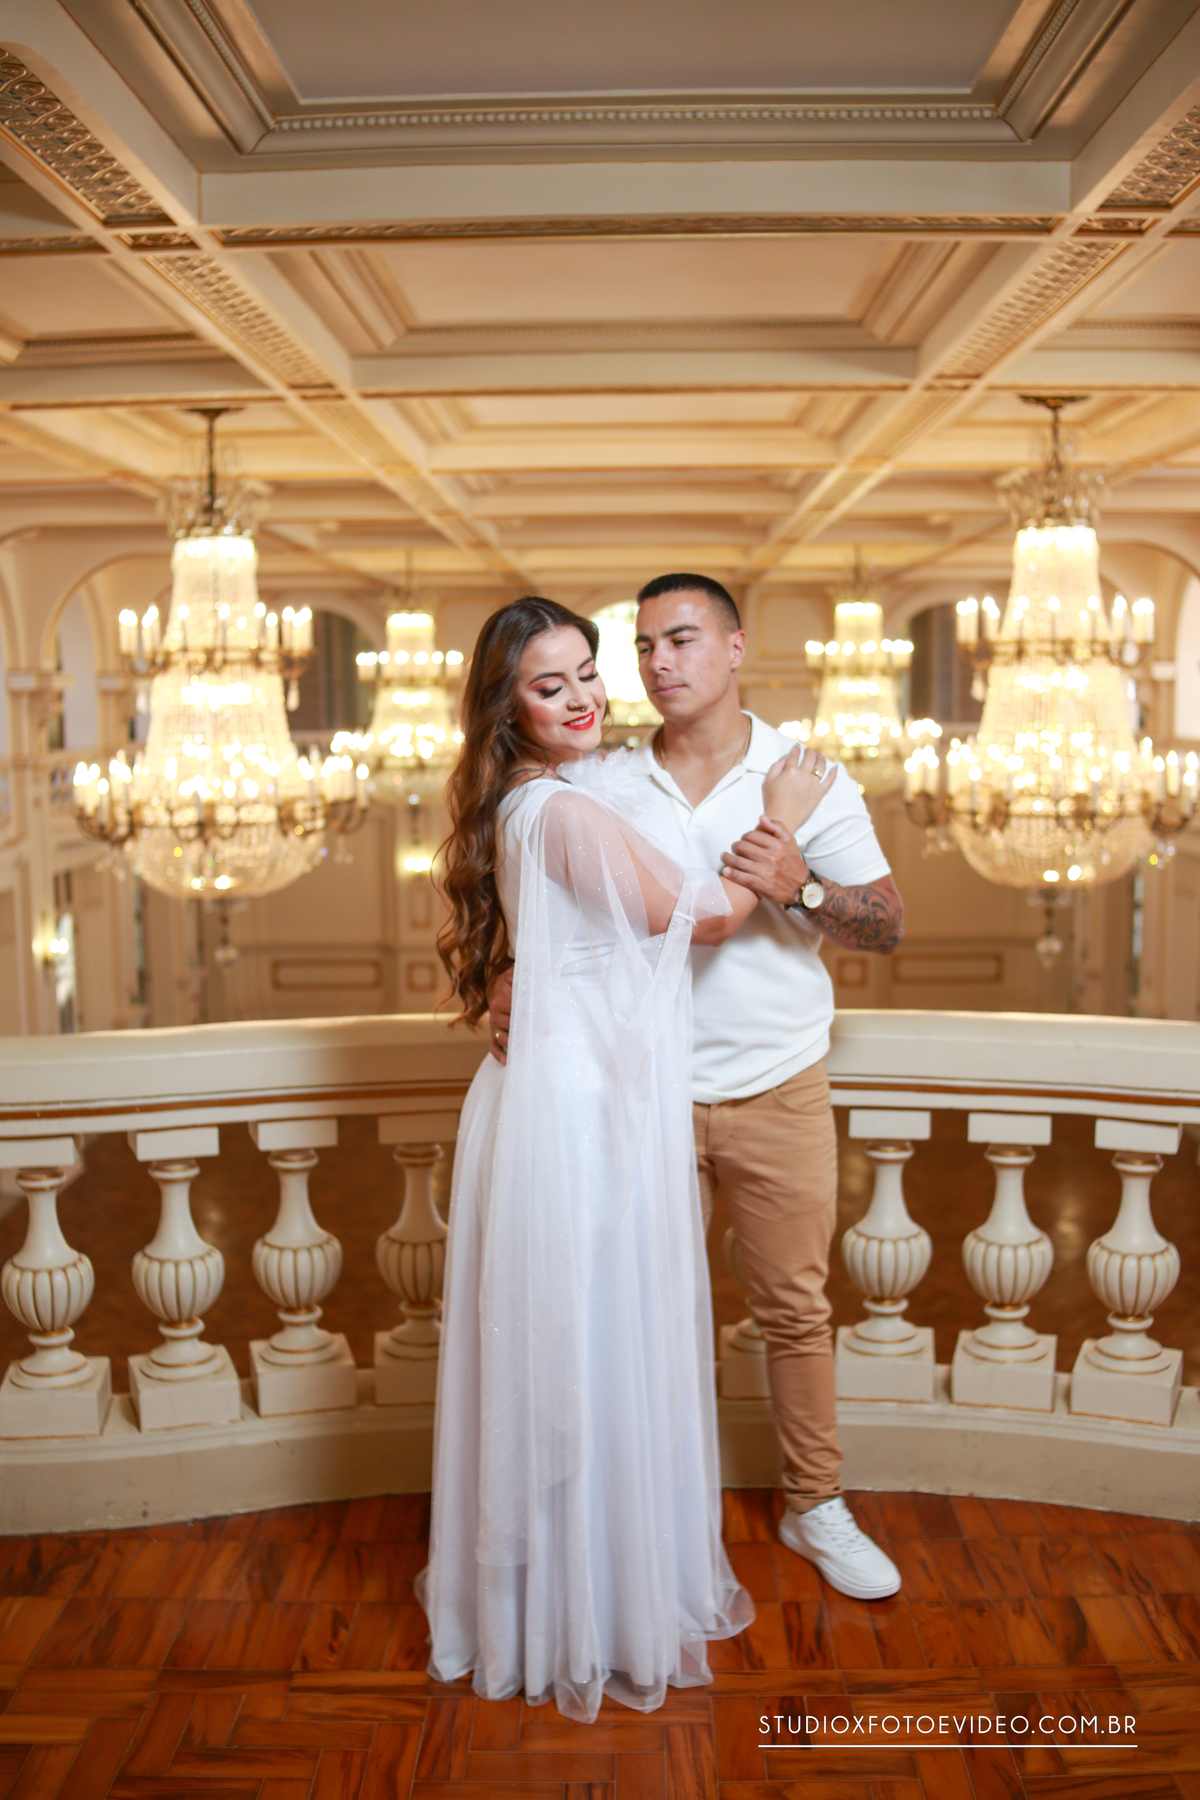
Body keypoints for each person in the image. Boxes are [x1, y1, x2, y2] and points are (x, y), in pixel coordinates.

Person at [422, 595, 833, 1723]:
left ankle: (578, 1592)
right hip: (574, 1106)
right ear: (507, 707)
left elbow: (564, 929)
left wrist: (515, 978)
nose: (584, 698)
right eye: (548, 686)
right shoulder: (559, 805)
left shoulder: (560, 792)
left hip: (564, 1087)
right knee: (589, 1339)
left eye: (588, 673)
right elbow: (702, 917)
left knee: (582, 1338)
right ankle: (587, 1609)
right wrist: (780, 817)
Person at [489, 574, 904, 1602]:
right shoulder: (604, 772)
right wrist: (505, 976)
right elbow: (557, 900)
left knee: (795, 1309)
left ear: (735, 647)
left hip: (775, 1083)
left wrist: (800, 881)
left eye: (680, 639)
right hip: (638, 1095)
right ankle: (639, 1520)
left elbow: (887, 924)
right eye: (642, 646)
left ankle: (816, 1505)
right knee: (633, 1316)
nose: (658, 663)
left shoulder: (804, 774)